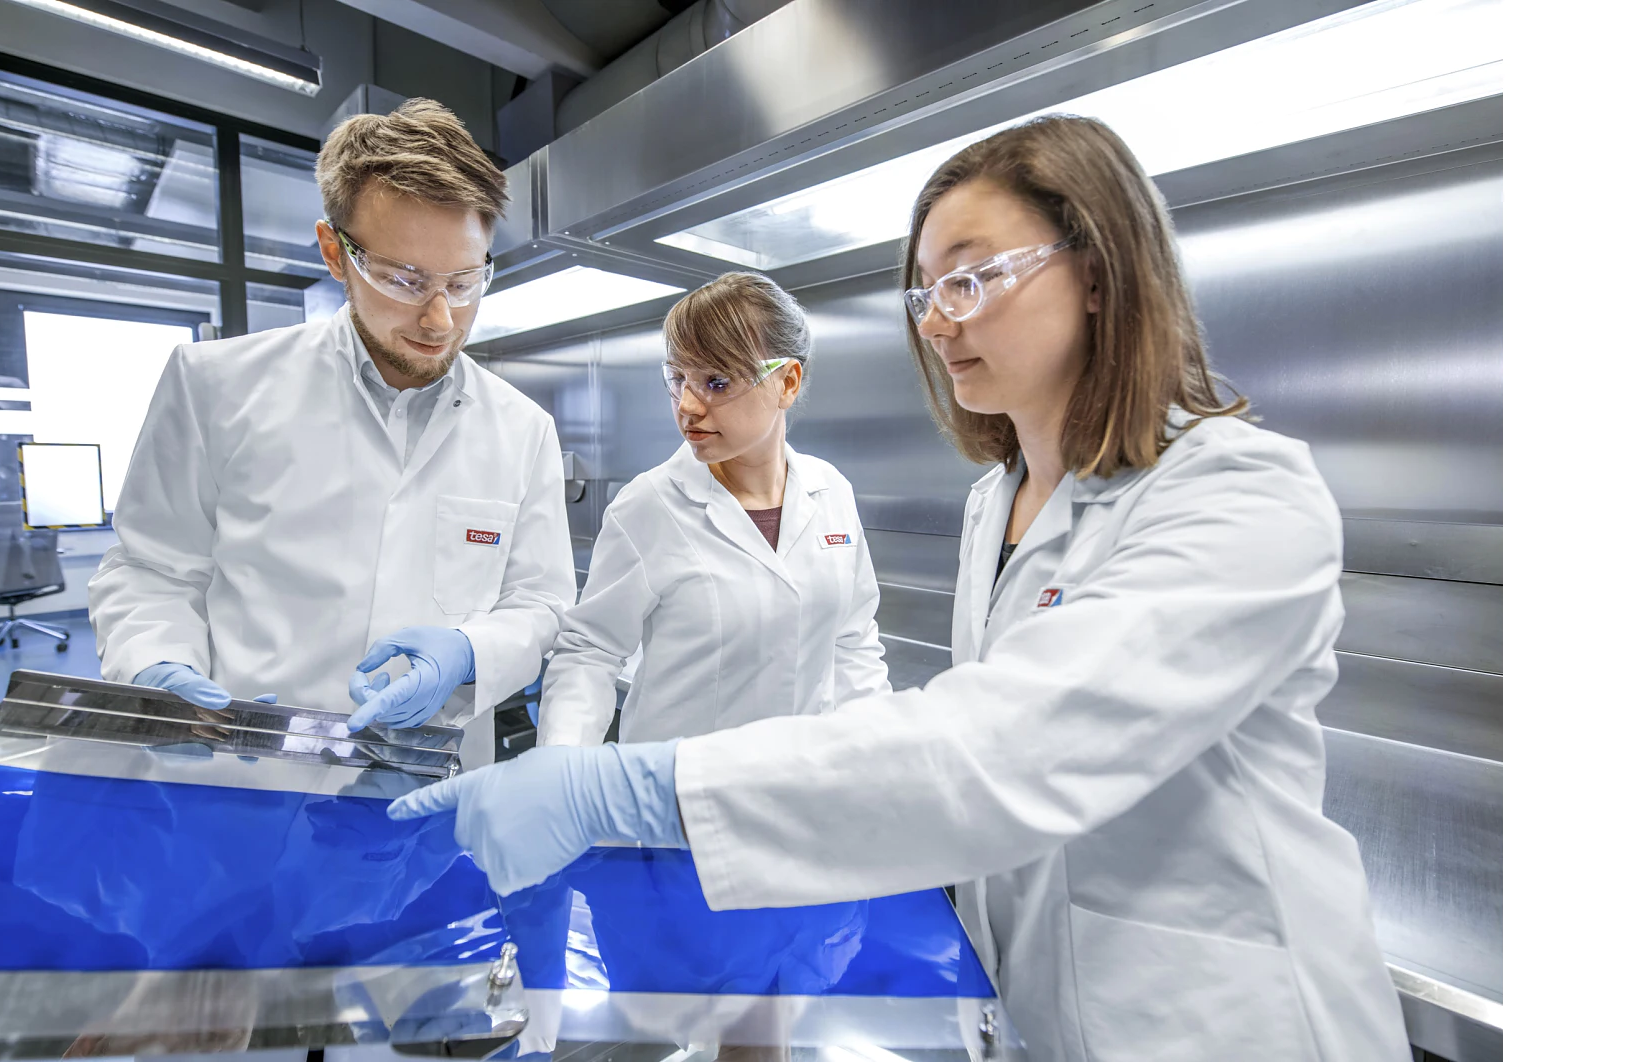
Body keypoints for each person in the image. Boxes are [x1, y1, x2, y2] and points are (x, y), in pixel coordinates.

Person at [388, 114, 1409, 1058]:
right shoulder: (996, 502)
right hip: (1015, 990)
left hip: (1225, 1019)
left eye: (973, 277)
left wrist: (615, 789)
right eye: (925, 292)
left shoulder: (1240, 492)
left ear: (1099, 272)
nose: (937, 321)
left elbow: (1003, 747)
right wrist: (587, 771)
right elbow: (605, 654)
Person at [89, 99, 576, 767]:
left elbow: (541, 601)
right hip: (252, 771)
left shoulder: (523, 428)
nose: (441, 319)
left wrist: (469, 653)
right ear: (335, 253)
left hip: (435, 779)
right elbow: (151, 569)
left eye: (465, 281)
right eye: (405, 279)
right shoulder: (214, 385)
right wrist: (155, 663)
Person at [535, 272, 891, 747]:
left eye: (716, 382)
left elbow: (852, 642)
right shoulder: (649, 505)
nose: (687, 405)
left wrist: (878, 750)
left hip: (801, 780)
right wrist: (560, 765)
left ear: (786, 382)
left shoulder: (831, 492)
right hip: (677, 784)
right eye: (678, 378)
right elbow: (590, 653)